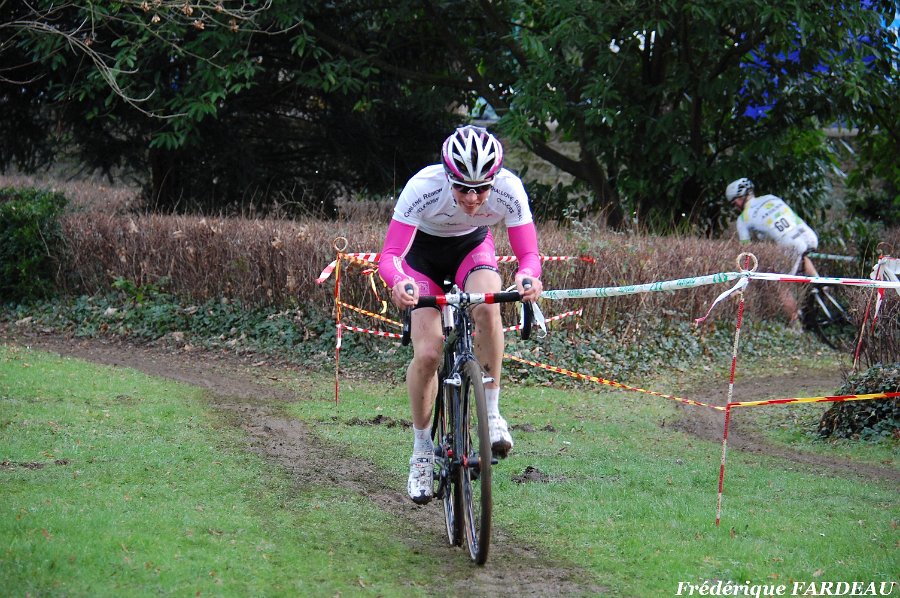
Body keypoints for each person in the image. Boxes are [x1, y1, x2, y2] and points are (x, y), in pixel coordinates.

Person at [378, 125, 543, 504]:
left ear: (494, 180)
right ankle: (422, 449)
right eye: (462, 188)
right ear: (447, 176)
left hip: (472, 247)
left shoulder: (509, 188)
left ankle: (492, 412)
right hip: (421, 258)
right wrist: (399, 282)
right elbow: (390, 256)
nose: (472, 198)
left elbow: (528, 255)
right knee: (429, 352)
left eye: (481, 189)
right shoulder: (423, 187)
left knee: (488, 305)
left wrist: (527, 277)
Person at [725, 177, 819, 324]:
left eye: (734, 202)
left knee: (779, 285)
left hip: (790, 244)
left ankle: (796, 324)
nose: (735, 205)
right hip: (807, 235)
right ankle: (820, 286)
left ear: (740, 198)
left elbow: (746, 251)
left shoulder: (743, 219)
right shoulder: (771, 198)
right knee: (802, 256)